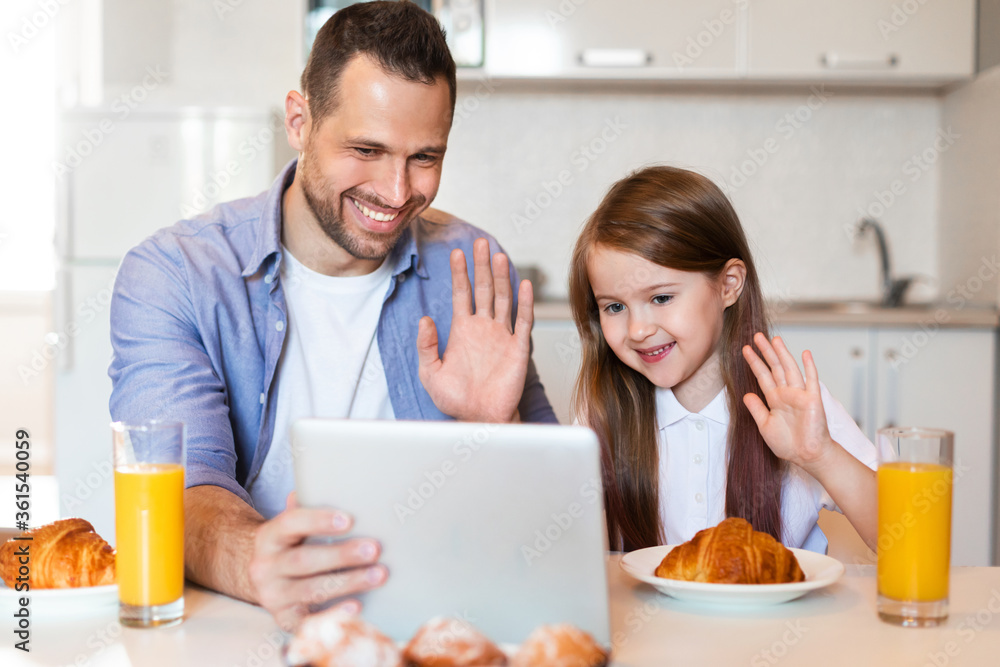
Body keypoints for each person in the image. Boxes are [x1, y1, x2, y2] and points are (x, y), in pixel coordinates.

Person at [108, 1, 555, 630]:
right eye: (367, 149)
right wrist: (254, 558)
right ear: (300, 119)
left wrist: (495, 429)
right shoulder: (176, 274)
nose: (397, 193)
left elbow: (553, 524)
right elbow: (177, 487)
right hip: (244, 624)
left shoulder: (474, 271)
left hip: (430, 624)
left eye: (425, 157)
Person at [568, 165, 884, 554]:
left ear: (729, 285)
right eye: (614, 306)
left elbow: (906, 539)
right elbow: (576, 563)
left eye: (661, 298)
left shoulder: (795, 404)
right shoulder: (600, 411)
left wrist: (821, 456)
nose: (637, 330)